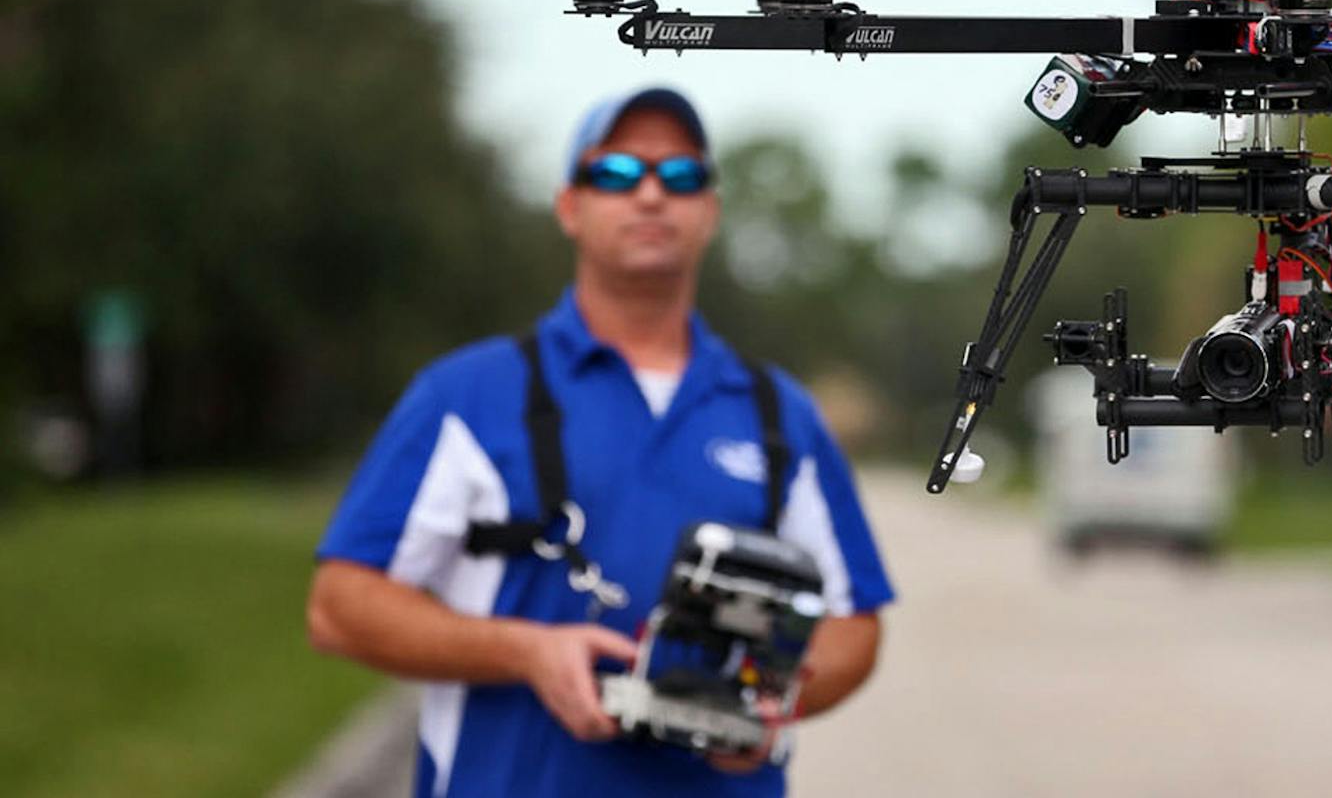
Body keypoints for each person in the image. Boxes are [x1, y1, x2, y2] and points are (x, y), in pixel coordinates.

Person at [307, 86, 894, 797]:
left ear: (709, 210)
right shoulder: (465, 396)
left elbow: (853, 624)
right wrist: (526, 652)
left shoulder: (780, 412)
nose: (651, 195)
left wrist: (770, 706)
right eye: (615, 173)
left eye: (681, 176)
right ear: (569, 207)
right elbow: (339, 607)